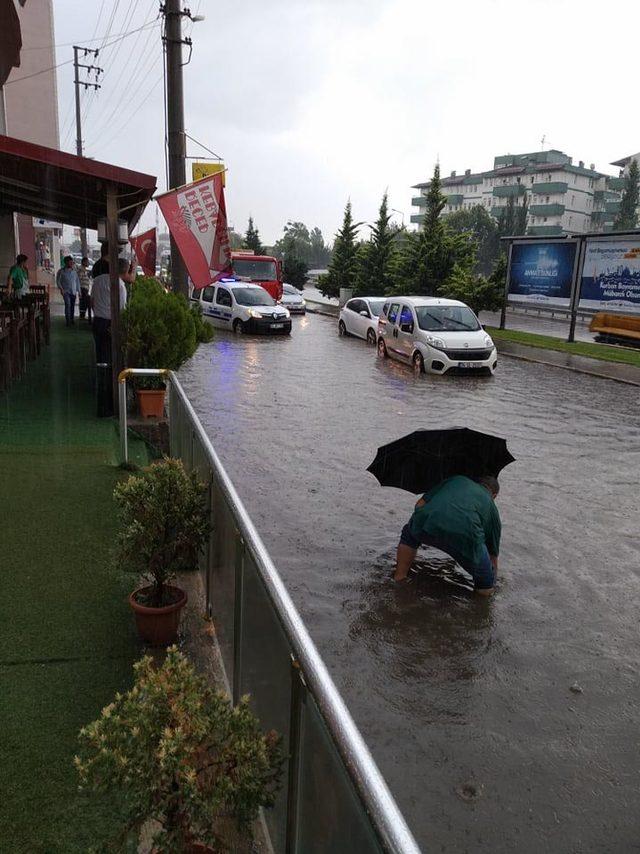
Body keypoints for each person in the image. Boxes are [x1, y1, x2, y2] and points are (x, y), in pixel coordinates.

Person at [394, 475, 501, 596]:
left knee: (409, 533)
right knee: (486, 579)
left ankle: (399, 577)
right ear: (494, 495)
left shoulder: (456, 479)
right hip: (466, 537)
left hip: (427, 523)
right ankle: (479, 606)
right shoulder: (493, 509)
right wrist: (493, 581)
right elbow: (493, 556)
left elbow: (419, 505)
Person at [91, 256, 131, 363]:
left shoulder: (97, 280)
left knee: (99, 350)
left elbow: (92, 301)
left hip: (98, 320)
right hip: (110, 323)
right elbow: (122, 309)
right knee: (109, 352)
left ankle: (99, 373)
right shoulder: (120, 286)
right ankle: (107, 376)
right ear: (126, 271)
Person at [56, 255, 80, 326]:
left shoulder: (74, 272)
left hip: (73, 291)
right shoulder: (61, 271)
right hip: (66, 291)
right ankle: (68, 321)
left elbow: (77, 281)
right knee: (68, 304)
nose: (71, 264)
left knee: (72, 306)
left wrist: (79, 291)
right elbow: (58, 281)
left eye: (72, 262)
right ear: (66, 263)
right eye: (70, 262)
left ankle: (72, 319)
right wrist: (61, 289)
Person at [78, 256, 92, 322]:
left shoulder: (85, 270)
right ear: (83, 262)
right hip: (82, 288)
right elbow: (79, 279)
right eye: (87, 262)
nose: (88, 263)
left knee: (84, 302)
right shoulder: (81, 270)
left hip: (85, 288)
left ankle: (83, 315)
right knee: (83, 302)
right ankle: (82, 315)